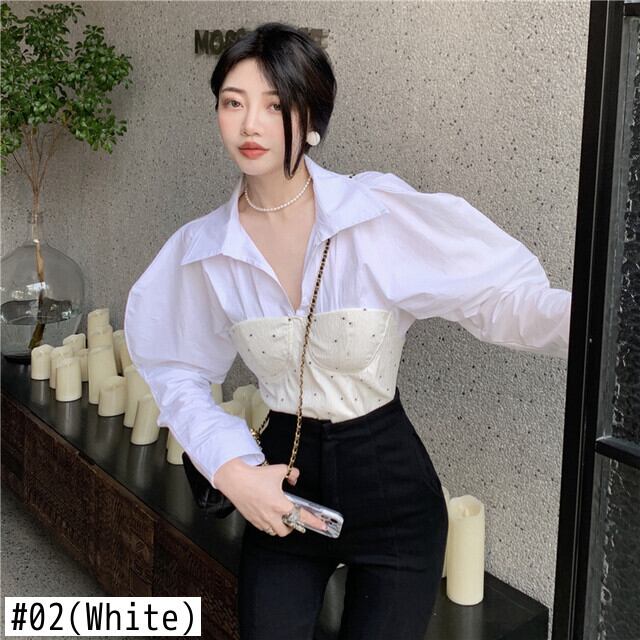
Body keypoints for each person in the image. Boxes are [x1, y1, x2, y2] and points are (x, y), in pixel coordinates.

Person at [123, 21, 572, 640]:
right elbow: (175, 368)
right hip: (282, 492)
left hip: (393, 497)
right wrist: (232, 471)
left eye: (274, 105)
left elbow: (505, 300)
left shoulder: (375, 216)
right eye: (233, 102)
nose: (250, 124)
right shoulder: (203, 251)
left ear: (311, 117)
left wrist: (607, 328)